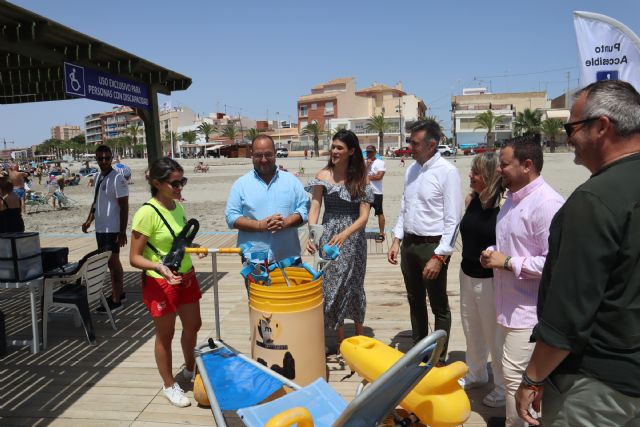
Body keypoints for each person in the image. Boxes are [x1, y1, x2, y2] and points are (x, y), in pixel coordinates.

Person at [515, 80, 640, 426]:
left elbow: (569, 312)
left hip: (596, 385)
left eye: (572, 127)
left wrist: (533, 377)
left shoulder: (592, 201)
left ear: (602, 127)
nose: (568, 138)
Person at [479, 136, 564, 427]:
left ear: (527, 165)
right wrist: (493, 253)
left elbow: (555, 263)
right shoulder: (512, 200)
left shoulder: (547, 204)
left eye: (504, 164)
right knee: (510, 378)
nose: (499, 169)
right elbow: (513, 246)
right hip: (506, 307)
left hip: (529, 314)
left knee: (519, 384)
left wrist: (508, 262)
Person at [130, 157, 205, 408]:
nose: (179, 187)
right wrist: (159, 267)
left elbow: (178, 243)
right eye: (174, 183)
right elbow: (134, 258)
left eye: (182, 181)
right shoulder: (146, 213)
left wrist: (194, 248)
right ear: (157, 183)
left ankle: (189, 369)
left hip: (185, 276)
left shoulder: (178, 207)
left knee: (193, 325)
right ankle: (168, 384)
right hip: (159, 281)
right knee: (166, 334)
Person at [387, 120, 462, 365]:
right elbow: (405, 208)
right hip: (409, 245)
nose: (410, 147)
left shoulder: (447, 172)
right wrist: (397, 239)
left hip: (433, 247)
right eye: (410, 142)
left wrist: (440, 256)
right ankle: (418, 351)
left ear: (432, 145)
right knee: (414, 300)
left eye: (415, 143)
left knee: (438, 305)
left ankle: (438, 358)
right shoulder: (412, 170)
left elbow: (453, 220)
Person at [306, 129, 373, 349]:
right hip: (328, 233)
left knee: (354, 283)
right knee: (332, 285)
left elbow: (364, 217)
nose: (334, 151)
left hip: (352, 236)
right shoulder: (322, 176)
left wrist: (345, 234)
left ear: (351, 151)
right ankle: (341, 338)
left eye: (339, 148)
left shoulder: (361, 179)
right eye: (333, 147)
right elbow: (315, 206)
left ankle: (360, 336)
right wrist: (313, 233)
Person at [458, 152, 505, 408]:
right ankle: (476, 374)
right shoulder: (472, 199)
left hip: (490, 279)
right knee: (471, 328)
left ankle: (501, 386)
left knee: (493, 334)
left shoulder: (503, 204)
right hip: (466, 273)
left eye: (476, 172)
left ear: (488, 175)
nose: (470, 176)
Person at [225, 134, 309, 263]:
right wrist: (259, 225)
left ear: (275, 153)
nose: (264, 159)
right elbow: (231, 217)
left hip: (288, 258)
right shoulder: (241, 184)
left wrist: (286, 222)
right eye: (258, 155)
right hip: (254, 261)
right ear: (251, 155)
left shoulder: (291, 181)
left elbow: (304, 209)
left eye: (268, 154)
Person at [81, 145, 129, 313]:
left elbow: (124, 206)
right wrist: (88, 221)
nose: (104, 161)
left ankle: (116, 300)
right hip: (100, 228)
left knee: (113, 263)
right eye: (100, 158)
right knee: (110, 262)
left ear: (111, 158)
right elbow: (96, 202)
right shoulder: (97, 176)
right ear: (96, 159)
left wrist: (122, 231)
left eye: (107, 158)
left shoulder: (118, 179)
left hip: (112, 229)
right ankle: (119, 292)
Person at [365, 145, 386, 243]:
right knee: (363, 214)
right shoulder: (365, 163)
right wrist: (367, 165)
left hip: (376, 192)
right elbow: (360, 175)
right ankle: (361, 233)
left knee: (379, 213)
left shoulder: (380, 162)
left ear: (375, 152)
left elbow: (379, 177)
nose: (369, 154)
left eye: (370, 152)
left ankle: (381, 233)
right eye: (367, 152)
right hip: (365, 192)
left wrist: (368, 178)